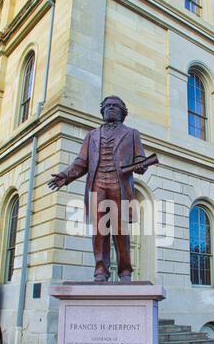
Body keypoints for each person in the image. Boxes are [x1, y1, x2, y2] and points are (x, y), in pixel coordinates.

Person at [48, 96, 147, 282]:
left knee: (120, 230)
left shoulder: (132, 133)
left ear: (122, 112)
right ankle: (101, 270)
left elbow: (140, 159)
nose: (111, 108)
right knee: (100, 231)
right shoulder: (91, 135)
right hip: (98, 185)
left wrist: (141, 165)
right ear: (102, 111)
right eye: (107, 106)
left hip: (120, 186)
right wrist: (65, 176)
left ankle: (125, 271)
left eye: (115, 106)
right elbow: (81, 162)